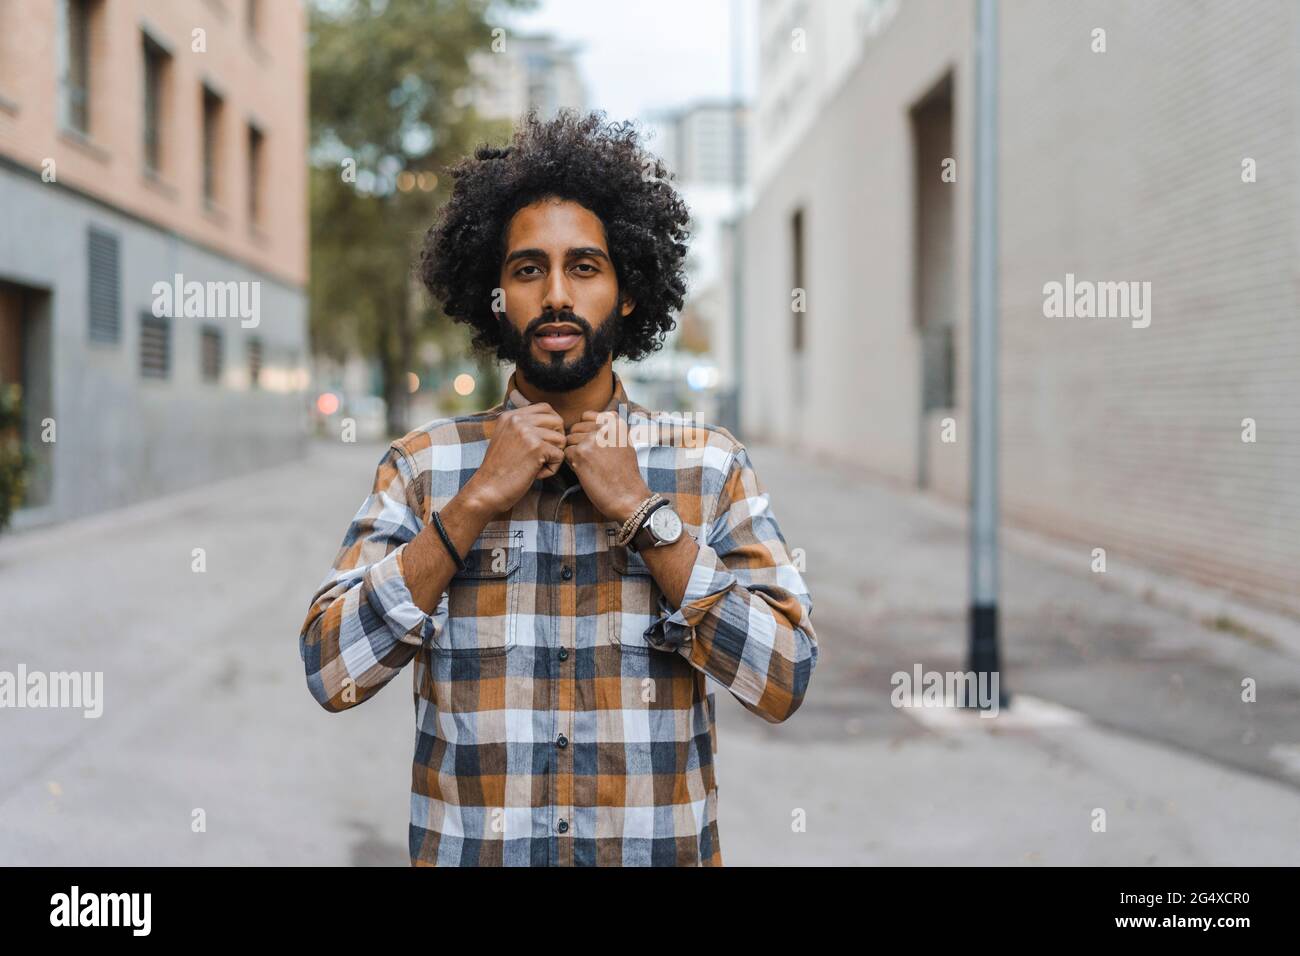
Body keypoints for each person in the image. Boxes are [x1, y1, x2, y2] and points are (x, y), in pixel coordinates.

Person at [298, 108, 818, 866]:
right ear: (495, 295)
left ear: (628, 291)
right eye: (527, 269)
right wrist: (474, 503)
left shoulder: (708, 466)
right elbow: (331, 670)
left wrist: (646, 515)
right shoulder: (425, 468)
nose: (555, 295)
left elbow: (784, 681)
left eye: (584, 266)